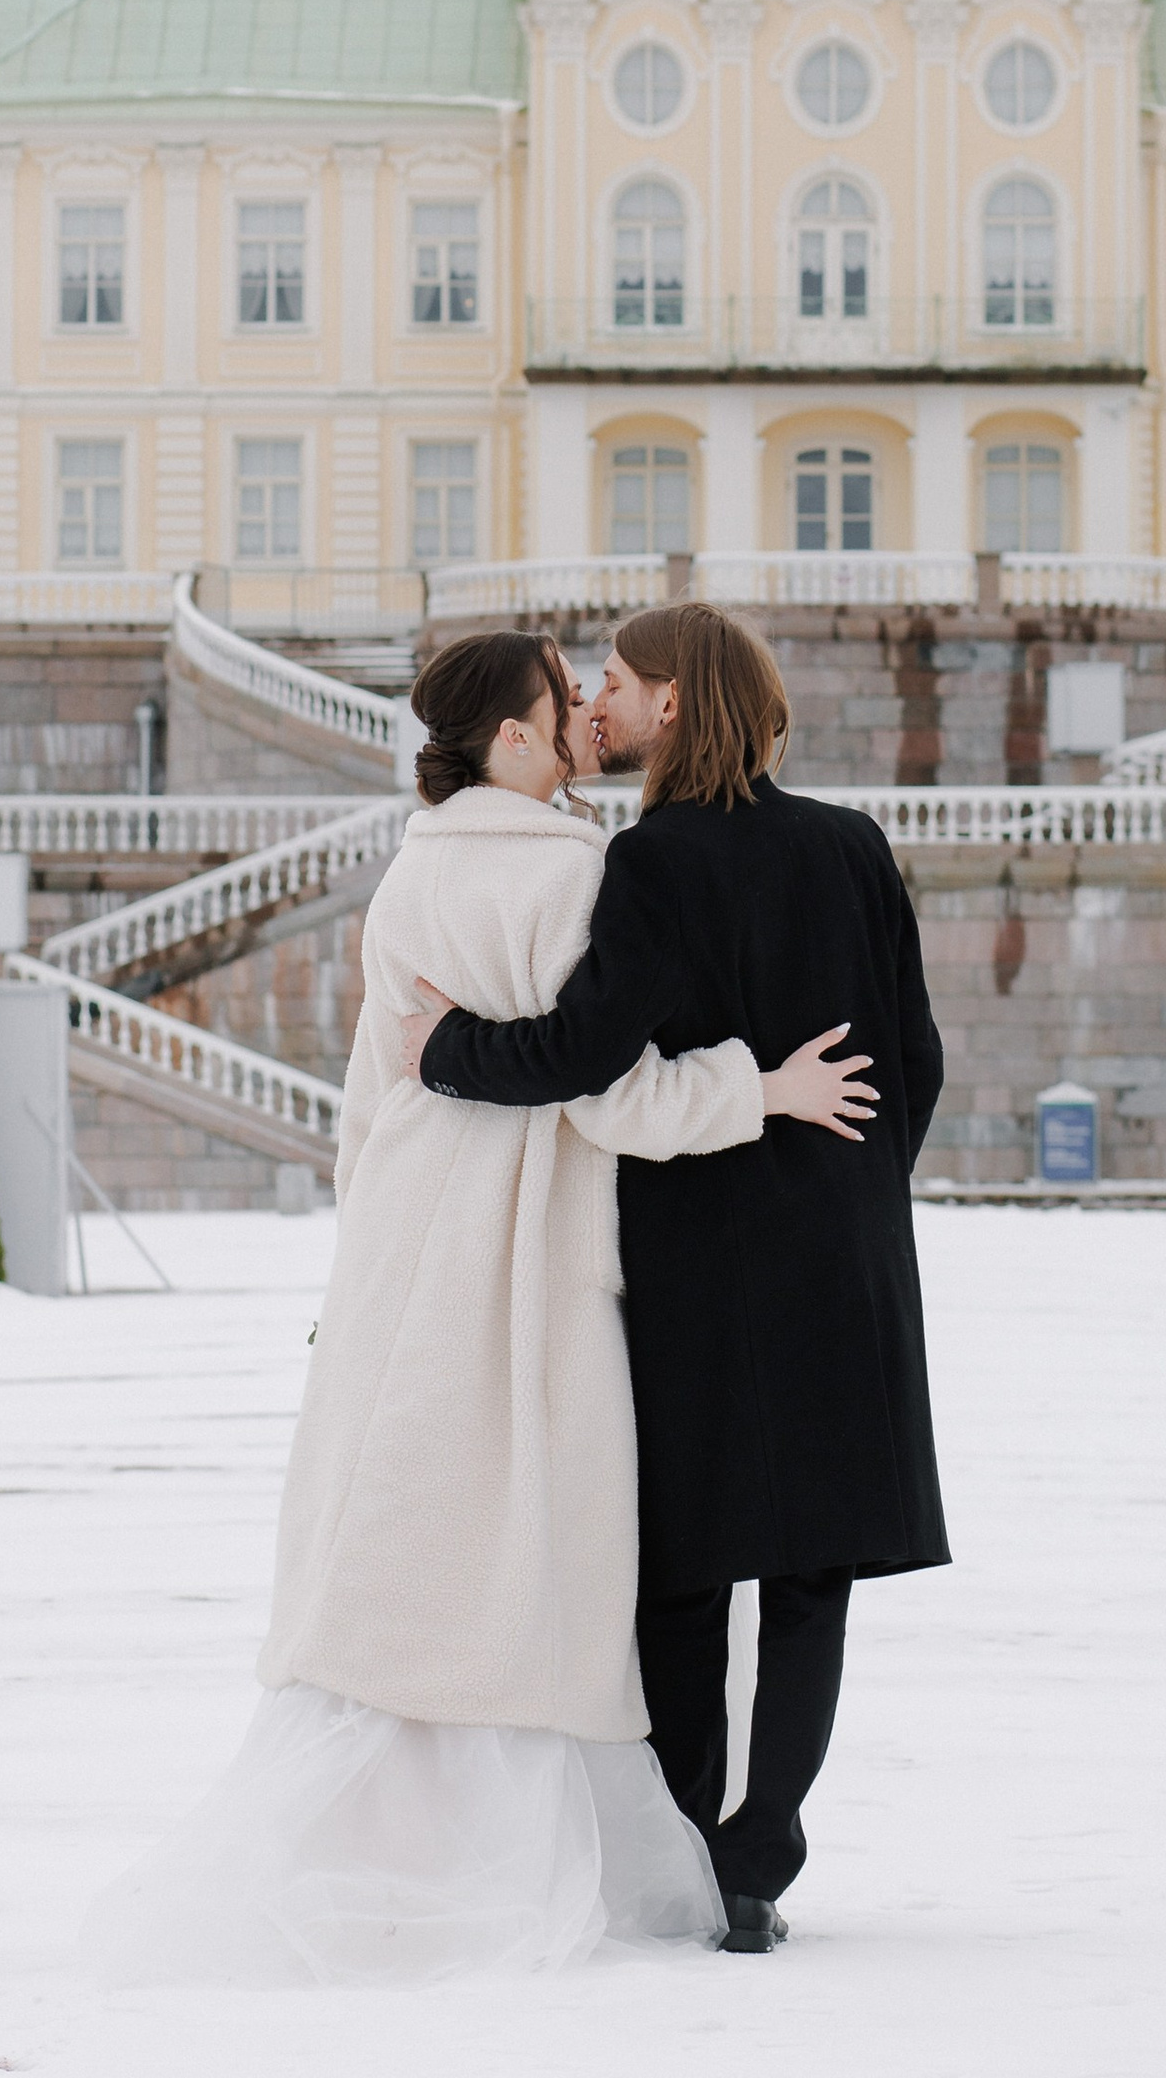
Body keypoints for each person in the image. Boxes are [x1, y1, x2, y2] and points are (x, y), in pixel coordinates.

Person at [82, 624, 874, 1988]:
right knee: (533, 1548)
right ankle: (543, 1849)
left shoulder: (409, 873)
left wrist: (359, 1254)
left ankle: (376, 1838)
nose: (585, 715)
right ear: (511, 739)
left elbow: (367, 1095)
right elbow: (608, 1089)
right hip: (526, 1247)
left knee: (403, 1526)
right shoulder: (580, 870)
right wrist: (761, 1087)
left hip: (407, 1240)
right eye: (563, 702)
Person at [404, 602, 948, 1953]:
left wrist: (445, 1049)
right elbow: (916, 1058)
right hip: (842, 1252)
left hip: (699, 1253)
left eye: (623, 681)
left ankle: (696, 1838)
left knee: (682, 1566)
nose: (604, 698)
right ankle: (763, 1851)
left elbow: (585, 1051)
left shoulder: (651, 862)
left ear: (675, 705)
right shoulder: (853, 844)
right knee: (814, 1564)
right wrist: (866, 1193)